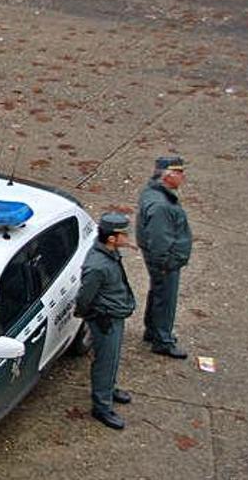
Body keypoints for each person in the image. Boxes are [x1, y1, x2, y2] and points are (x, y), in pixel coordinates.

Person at [75, 213, 136, 430]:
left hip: (115, 315)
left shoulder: (109, 253)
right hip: (105, 319)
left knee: (113, 356)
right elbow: (84, 298)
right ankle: (102, 406)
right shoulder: (98, 265)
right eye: (124, 234)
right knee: (105, 361)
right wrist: (90, 316)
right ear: (111, 239)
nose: (127, 237)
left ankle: (109, 389)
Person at [136, 156, 192, 359]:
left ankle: (152, 330)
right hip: (165, 261)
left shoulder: (153, 193)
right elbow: (160, 241)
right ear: (168, 176)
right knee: (166, 298)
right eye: (179, 172)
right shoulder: (162, 206)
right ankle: (162, 340)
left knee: (158, 292)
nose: (183, 176)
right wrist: (167, 263)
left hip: (160, 259)